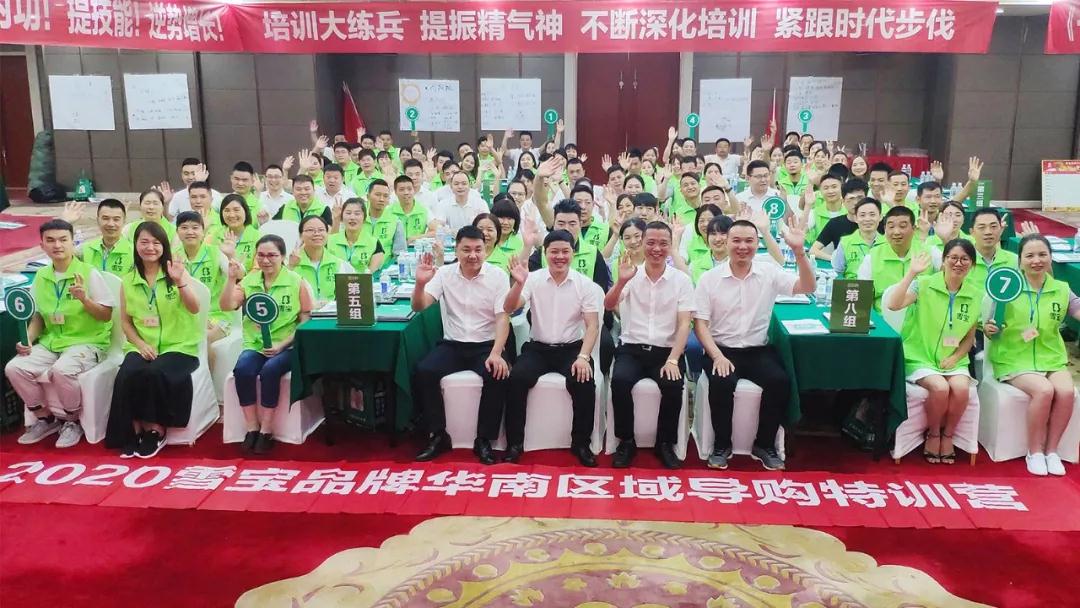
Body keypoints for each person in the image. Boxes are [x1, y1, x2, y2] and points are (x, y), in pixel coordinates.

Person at [694, 218, 816, 471]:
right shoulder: (709, 279)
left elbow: (807, 286)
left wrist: (799, 252)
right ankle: (721, 445)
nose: (742, 246)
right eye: (736, 240)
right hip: (721, 349)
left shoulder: (768, 272)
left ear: (756, 243)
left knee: (779, 381)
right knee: (721, 382)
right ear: (726, 242)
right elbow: (701, 325)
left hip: (757, 350)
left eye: (749, 241)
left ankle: (764, 444)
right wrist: (717, 356)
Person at [6, 219, 115, 448]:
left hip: (88, 341)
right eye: (51, 240)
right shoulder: (41, 276)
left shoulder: (88, 273)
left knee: (62, 370)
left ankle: (72, 421)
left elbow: (106, 315)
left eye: (63, 240)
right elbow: (38, 316)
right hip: (52, 341)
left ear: (73, 242)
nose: (57, 245)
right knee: (14, 368)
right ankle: (45, 418)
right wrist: (29, 339)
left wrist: (84, 299)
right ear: (42, 245)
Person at [410, 226, 512, 464]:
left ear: (486, 250)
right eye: (466, 250)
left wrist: (497, 352)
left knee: (497, 374)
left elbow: (502, 318)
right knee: (424, 371)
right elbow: (419, 306)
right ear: (456, 250)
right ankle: (438, 435)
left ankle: (484, 439)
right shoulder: (444, 274)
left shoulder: (497, 276)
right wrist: (420, 284)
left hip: (486, 344)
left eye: (478, 249)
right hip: (454, 344)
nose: (472, 255)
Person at [984, 235, 1080, 477]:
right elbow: (990, 322)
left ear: (1050, 258)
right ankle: (1034, 452)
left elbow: (1077, 309)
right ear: (1020, 260)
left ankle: (1052, 451)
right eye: (1030, 256)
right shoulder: (1009, 286)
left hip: (1051, 357)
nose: (1036, 260)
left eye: (1042, 255)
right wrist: (989, 327)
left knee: (1066, 392)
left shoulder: (1061, 289)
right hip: (1013, 357)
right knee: (1044, 390)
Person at [105, 222, 202, 459]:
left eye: (156, 243)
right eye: (144, 242)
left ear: (164, 246)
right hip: (142, 344)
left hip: (178, 345)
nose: (150, 247)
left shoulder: (175, 272)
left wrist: (180, 282)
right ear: (135, 245)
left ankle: (155, 430)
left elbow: (194, 308)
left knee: (154, 372)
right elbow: (126, 322)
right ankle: (133, 430)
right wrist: (140, 345)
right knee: (127, 373)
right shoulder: (128, 280)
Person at [505, 231, 602, 467]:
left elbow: (592, 326)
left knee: (583, 380)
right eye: (554, 252)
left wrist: (583, 357)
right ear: (545, 253)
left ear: (573, 253)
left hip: (572, 350)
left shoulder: (584, 285)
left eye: (565, 251)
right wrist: (518, 284)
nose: (560, 257)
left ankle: (581, 443)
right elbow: (509, 308)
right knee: (516, 378)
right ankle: (515, 443)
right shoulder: (532, 279)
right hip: (537, 349)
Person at [605, 221, 695, 469]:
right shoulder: (630, 274)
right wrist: (621, 282)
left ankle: (665, 443)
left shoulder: (681, 280)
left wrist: (673, 359)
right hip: (632, 348)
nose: (657, 249)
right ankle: (626, 441)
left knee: (673, 384)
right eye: (651, 243)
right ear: (642, 243)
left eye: (663, 243)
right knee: (620, 381)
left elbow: (685, 323)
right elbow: (608, 304)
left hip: (666, 351)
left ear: (671, 245)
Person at [886, 240, 980, 464]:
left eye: (965, 259)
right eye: (953, 258)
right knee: (940, 388)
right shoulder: (924, 284)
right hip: (919, 356)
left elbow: (969, 338)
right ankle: (934, 434)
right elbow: (893, 305)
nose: (958, 263)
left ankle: (948, 436)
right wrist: (911, 273)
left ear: (972, 265)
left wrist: (955, 357)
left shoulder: (975, 295)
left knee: (961, 389)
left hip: (953, 359)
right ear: (944, 261)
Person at [221, 235, 313, 455]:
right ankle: (252, 427)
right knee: (243, 370)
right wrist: (231, 279)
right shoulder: (249, 281)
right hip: (256, 345)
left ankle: (266, 430)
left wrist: (283, 344)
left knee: (270, 371)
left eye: (272, 255)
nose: (266, 260)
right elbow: (227, 305)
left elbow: (306, 319)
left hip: (287, 346)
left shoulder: (296, 281)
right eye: (261, 255)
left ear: (282, 257)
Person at [527, 200, 614, 374]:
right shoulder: (542, 253)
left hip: (584, 317)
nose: (566, 228)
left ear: (580, 224)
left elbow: (600, 292)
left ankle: (599, 379)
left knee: (605, 344)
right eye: (561, 223)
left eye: (572, 223)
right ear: (553, 224)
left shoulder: (593, 252)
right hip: (547, 317)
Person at [174, 212, 231, 367]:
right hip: (184, 316)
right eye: (184, 228)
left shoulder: (215, 253)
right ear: (177, 232)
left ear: (203, 231)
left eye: (195, 227)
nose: (190, 232)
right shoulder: (173, 256)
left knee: (203, 339)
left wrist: (231, 256)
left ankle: (207, 379)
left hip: (215, 316)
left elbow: (236, 275)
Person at [858, 206, 940, 310]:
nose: (896, 232)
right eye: (891, 227)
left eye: (902, 226)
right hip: (883, 317)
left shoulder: (930, 252)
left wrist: (947, 239)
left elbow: (949, 279)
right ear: (885, 229)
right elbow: (862, 300)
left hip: (920, 318)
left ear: (914, 229)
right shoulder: (872, 258)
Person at [288, 216, 350, 304]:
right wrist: (291, 267)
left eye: (321, 230)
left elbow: (344, 296)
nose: (317, 234)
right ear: (301, 235)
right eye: (310, 230)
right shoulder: (291, 261)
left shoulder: (337, 263)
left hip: (330, 311)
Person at [809, 178, 870, 260]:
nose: (856, 203)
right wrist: (835, 260)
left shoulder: (876, 222)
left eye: (860, 198)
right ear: (843, 202)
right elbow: (813, 251)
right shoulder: (835, 223)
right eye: (851, 199)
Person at [328, 198, 385, 273]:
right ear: (342, 217)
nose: (352, 217)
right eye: (348, 213)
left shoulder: (374, 243)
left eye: (357, 214)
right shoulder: (329, 241)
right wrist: (336, 219)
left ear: (364, 218)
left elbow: (372, 274)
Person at [967, 208, 1018, 292]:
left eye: (993, 226)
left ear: (1001, 229)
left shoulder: (1015, 261)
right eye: (982, 227)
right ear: (972, 232)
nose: (988, 232)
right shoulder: (962, 261)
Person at [79, 199, 133, 276]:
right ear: (97, 220)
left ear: (124, 221)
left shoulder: (134, 252)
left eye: (116, 219)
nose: (111, 224)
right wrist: (67, 221)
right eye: (105, 218)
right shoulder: (84, 249)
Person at [832, 198, 883, 280]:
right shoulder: (845, 242)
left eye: (872, 214)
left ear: (880, 217)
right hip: (853, 286)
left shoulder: (888, 243)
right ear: (856, 218)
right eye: (862, 215)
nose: (867, 219)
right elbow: (836, 273)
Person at [208, 194, 261, 271]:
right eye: (227, 210)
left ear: (246, 211)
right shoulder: (215, 236)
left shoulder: (258, 237)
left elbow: (257, 270)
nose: (232, 215)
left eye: (236, 210)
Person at [364, 179, 407, 260]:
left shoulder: (395, 222)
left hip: (385, 267)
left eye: (385, 196)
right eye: (377, 195)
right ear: (368, 196)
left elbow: (400, 254)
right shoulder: (359, 219)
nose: (381, 199)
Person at [389, 175, 430, 243]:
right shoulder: (388, 211)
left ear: (414, 190)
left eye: (409, 189)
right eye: (402, 189)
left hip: (416, 248)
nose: (406, 193)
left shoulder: (424, 210)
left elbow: (435, 231)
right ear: (395, 192)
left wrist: (416, 237)